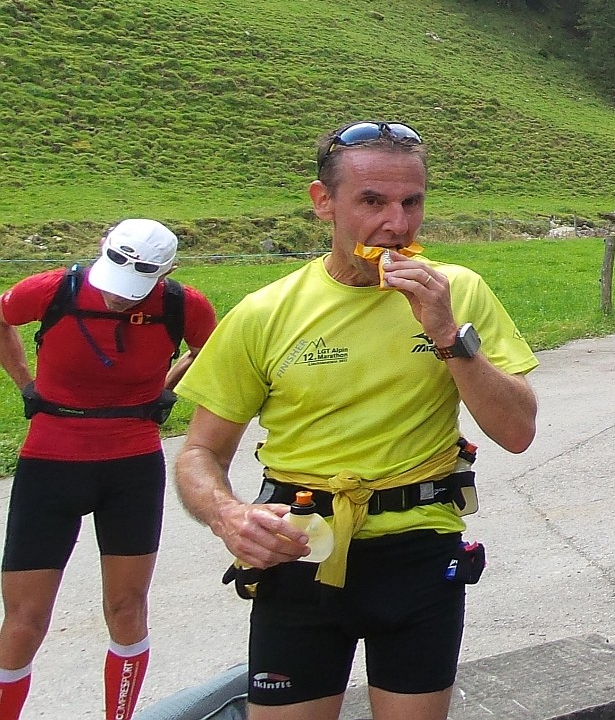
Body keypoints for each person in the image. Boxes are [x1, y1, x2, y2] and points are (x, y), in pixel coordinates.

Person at [174, 121, 539, 720]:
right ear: (324, 202)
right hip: (301, 548)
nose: (397, 223)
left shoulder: (459, 292)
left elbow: (518, 432)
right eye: (372, 201)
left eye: (412, 202)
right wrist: (227, 515)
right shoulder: (265, 312)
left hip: (420, 549)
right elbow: (199, 453)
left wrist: (447, 333)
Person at [0, 219, 216, 720]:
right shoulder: (54, 288)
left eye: (133, 290)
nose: (119, 298)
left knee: (126, 609)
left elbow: (211, 349)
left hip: (131, 469)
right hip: (48, 465)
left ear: (166, 273)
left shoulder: (183, 304)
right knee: (25, 621)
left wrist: (165, 386)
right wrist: (25, 383)